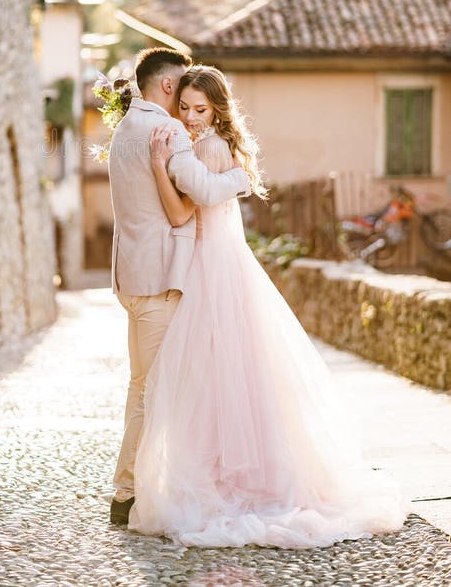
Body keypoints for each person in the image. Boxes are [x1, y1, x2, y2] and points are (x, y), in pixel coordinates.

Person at [128, 65, 409, 549]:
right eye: (187, 109)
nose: (192, 118)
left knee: (214, 376)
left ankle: (230, 480)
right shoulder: (195, 147)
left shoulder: (210, 148)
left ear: (218, 109)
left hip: (212, 265)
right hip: (211, 261)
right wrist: (168, 166)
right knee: (223, 377)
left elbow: (193, 203)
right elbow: (185, 209)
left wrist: (178, 168)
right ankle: (228, 472)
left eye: (202, 109)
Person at [108, 49, 252, 526]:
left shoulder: (125, 128)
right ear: (169, 88)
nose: (187, 114)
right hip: (160, 282)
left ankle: (138, 485)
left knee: (141, 390)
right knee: (152, 394)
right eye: (183, 97)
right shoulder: (165, 131)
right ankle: (126, 494)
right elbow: (206, 193)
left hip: (131, 277)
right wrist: (242, 176)